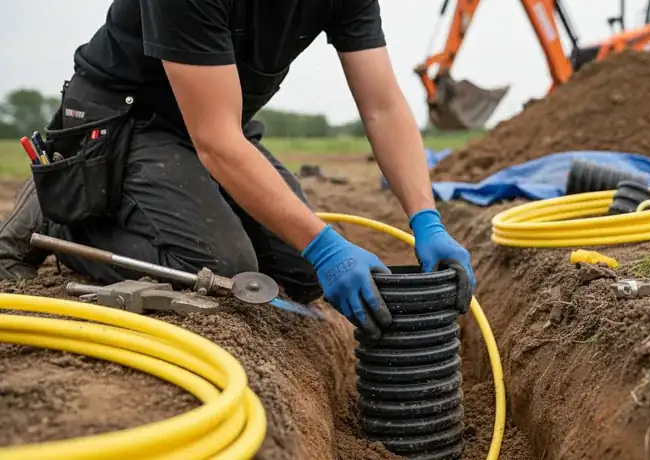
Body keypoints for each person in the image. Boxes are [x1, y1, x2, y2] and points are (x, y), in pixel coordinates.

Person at [0, 0, 475, 339]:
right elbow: (218, 142)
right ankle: (64, 211)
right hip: (124, 120)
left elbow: (383, 107)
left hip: (209, 124)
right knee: (221, 272)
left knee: (304, 274)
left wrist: (425, 219)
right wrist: (328, 245)